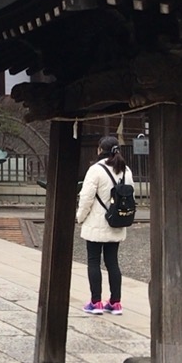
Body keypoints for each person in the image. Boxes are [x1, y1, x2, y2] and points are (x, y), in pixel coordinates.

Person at [75, 135, 130, 315]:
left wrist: (80, 217)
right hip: (116, 221)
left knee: (93, 261)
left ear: (100, 150)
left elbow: (86, 198)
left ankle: (95, 301)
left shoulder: (95, 170)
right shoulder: (126, 170)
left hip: (96, 223)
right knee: (112, 262)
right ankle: (115, 302)